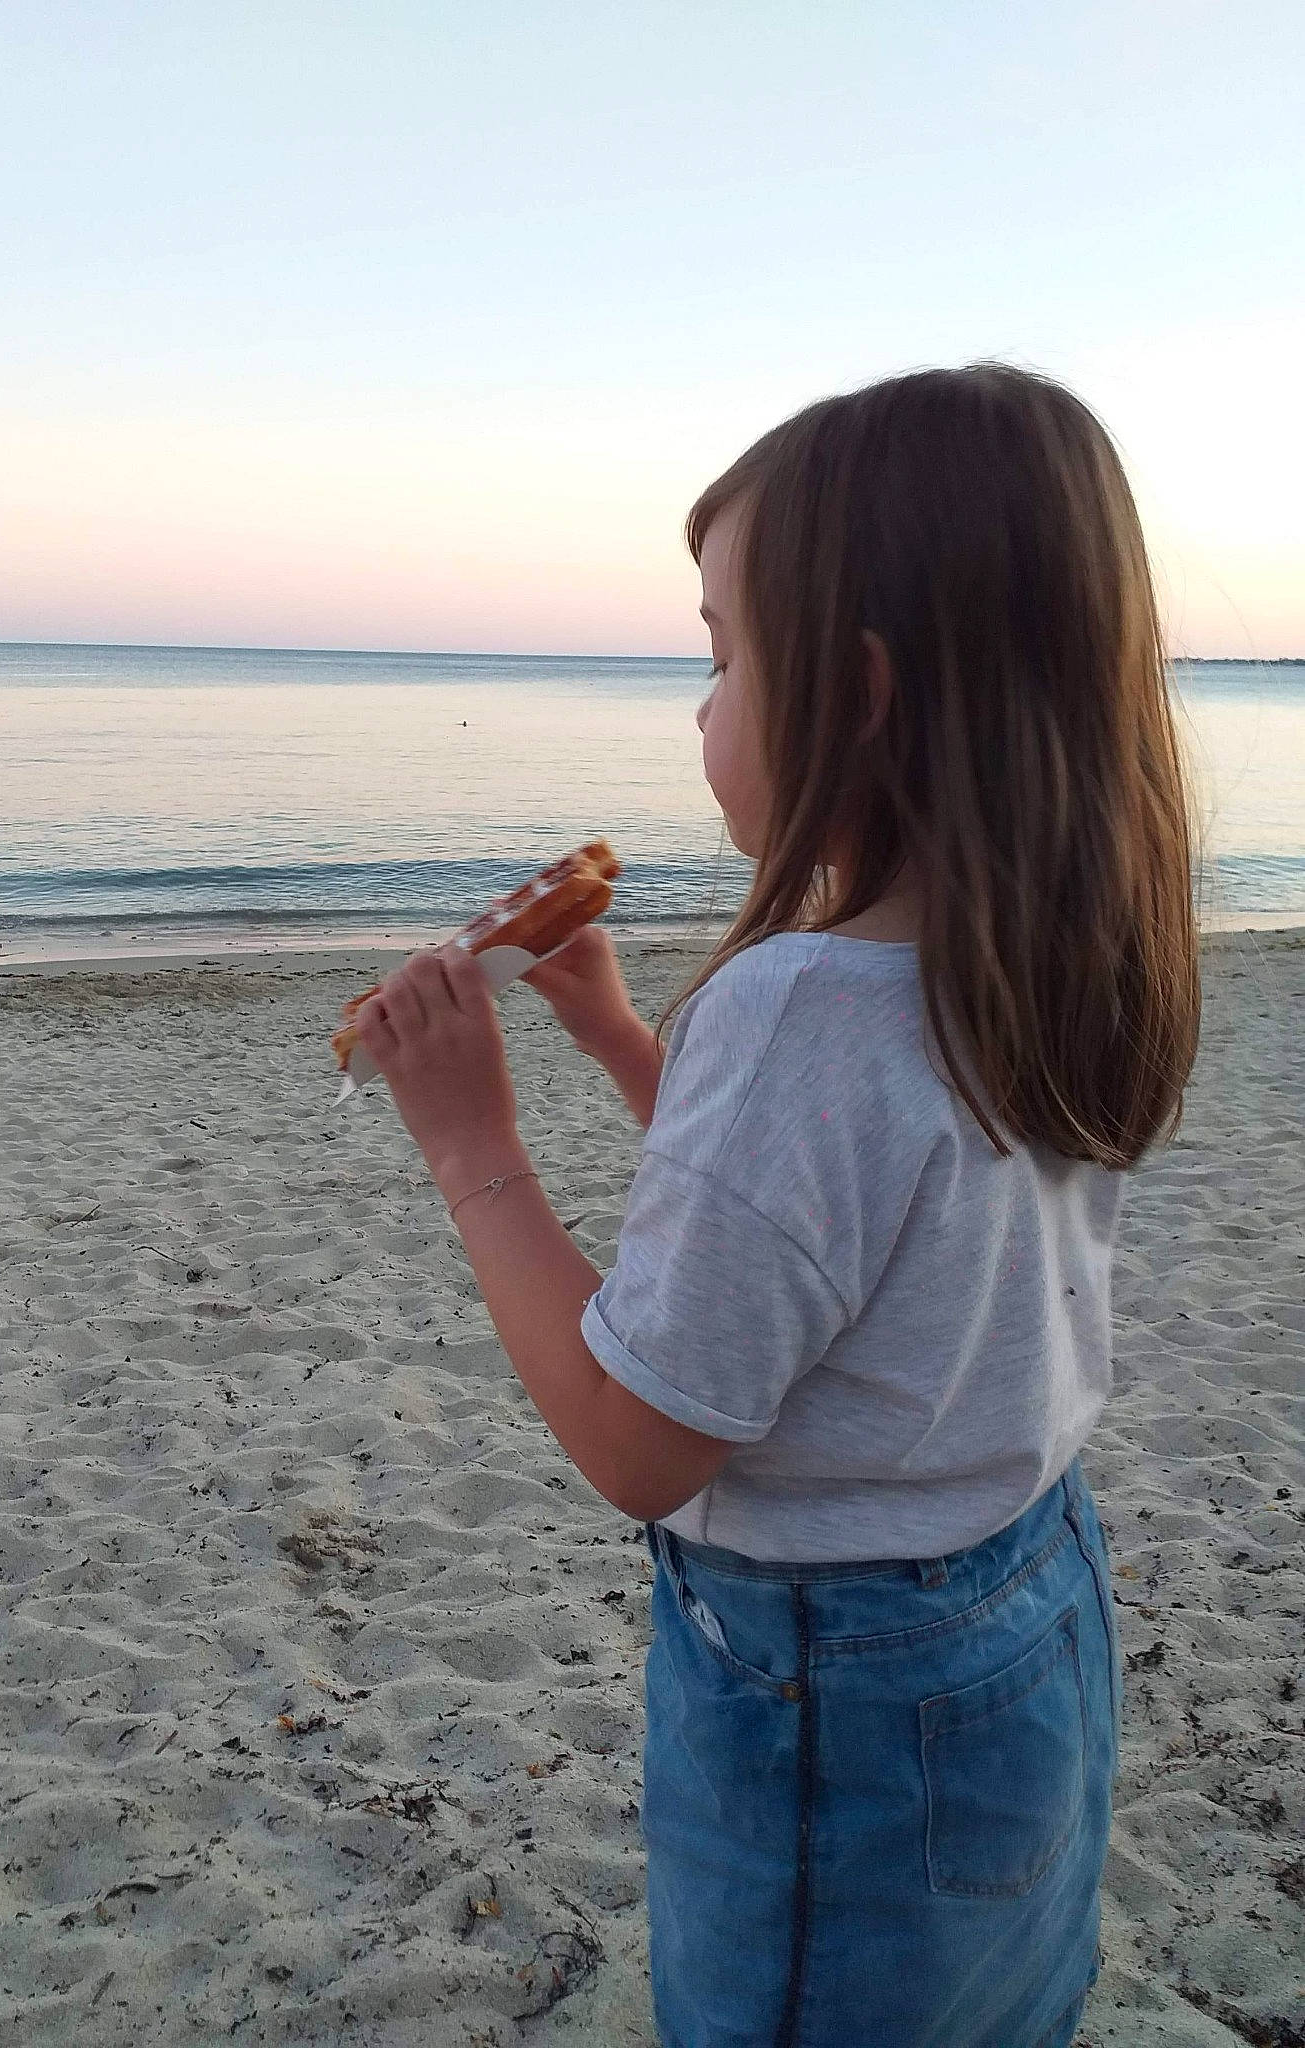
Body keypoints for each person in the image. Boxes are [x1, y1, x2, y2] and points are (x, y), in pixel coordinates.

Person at [352, 362, 1200, 2048]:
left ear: (859, 693)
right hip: (1021, 1595)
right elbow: (836, 1244)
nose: (700, 705)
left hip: (836, 1678)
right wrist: (613, 1039)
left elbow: (638, 1441)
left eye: (722, 654)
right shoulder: (1038, 958)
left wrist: (470, 1145)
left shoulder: (800, 1006)